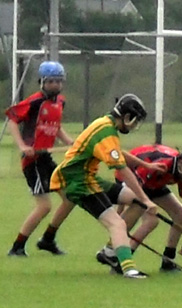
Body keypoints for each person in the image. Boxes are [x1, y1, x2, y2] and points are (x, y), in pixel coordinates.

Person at [49, 93, 166, 279]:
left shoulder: (106, 125)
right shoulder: (105, 130)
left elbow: (118, 153)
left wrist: (146, 166)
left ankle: (110, 252)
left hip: (88, 177)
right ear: (127, 117)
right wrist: (146, 199)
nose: (135, 125)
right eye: (135, 121)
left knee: (136, 202)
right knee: (117, 223)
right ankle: (129, 269)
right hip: (77, 181)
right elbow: (123, 170)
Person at [96, 144, 182, 273]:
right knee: (151, 221)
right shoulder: (161, 165)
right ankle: (118, 257)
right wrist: (124, 206)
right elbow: (133, 184)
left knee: (181, 214)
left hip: (154, 183)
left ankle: (168, 261)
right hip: (130, 176)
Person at [6, 61, 75, 257]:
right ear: (42, 82)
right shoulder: (34, 101)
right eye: (51, 81)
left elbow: (56, 126)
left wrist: (71, 142)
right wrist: (22, 146)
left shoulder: (60, 102)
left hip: (46, 158)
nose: (56, 85)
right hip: (33, 161)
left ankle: (48, 240)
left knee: (70, 198)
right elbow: (12, 119)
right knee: (44, 206)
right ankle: (17, 247)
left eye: (59, 81)